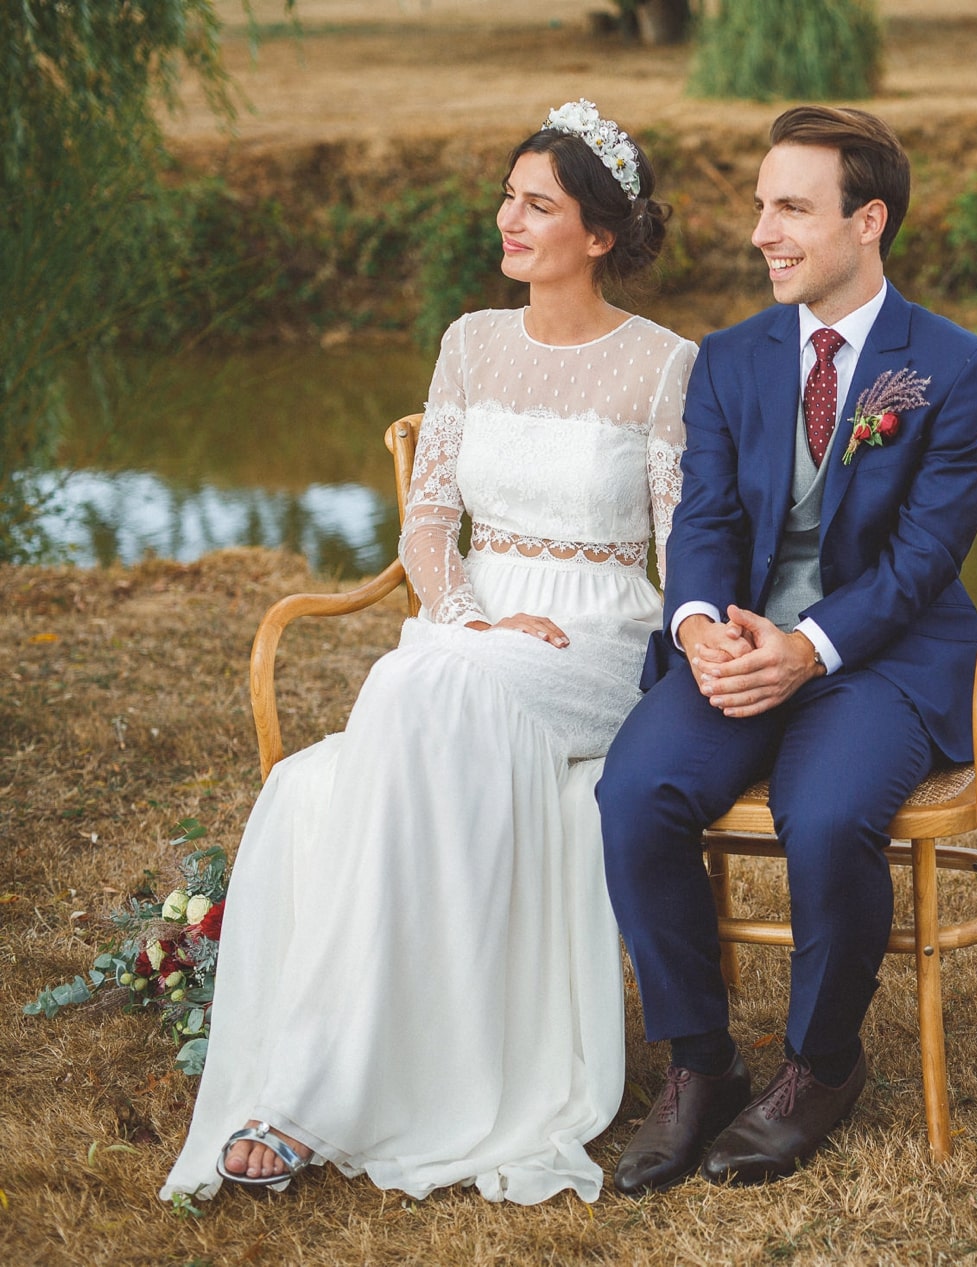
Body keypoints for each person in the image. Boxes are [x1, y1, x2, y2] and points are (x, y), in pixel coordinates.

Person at [160, 100, 694, 1206]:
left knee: (413, 686)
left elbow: (683, 546)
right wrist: (463, 615)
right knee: (407, 690)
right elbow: (425, 525)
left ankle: (308, 1093)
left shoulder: (661, 364)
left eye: (536, 204)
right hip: (471, 625)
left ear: (598, 234)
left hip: (593, 633)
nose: (508, 218)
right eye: (507, 195)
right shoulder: (469, 341)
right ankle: (341, 1077)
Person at [595, 105, 977, 1193]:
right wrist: (697, 628)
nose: (760, 233)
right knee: (636, 791)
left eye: (790, 208)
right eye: (760, 205)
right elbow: (706, 520)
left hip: (884, 655)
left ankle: (821, 1066)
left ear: (866, 221)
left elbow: (925, 557)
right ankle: (701, 1064)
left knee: (824, 816)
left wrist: (809, 648)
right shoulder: (728, 360)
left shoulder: (956, 368)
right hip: (737, 642)